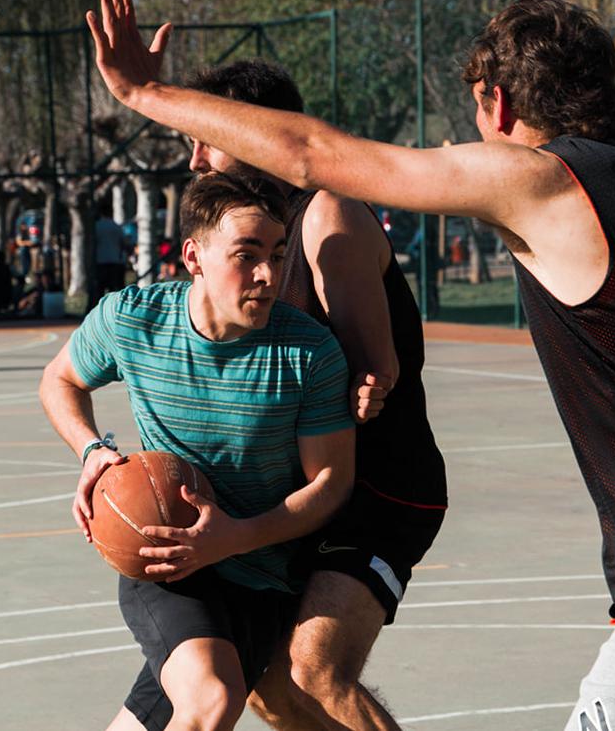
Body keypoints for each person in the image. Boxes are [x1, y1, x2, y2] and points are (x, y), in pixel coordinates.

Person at [87, 0, 615, 731]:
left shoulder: (548, 184)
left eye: (476, 110)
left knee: (307, 676)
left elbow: (311, 153)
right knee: (282, 683)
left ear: (498, 102)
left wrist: (146, 92)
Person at [39, 171, 355, 731]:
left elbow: (329, 482)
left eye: (278, 256)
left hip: (261, 572)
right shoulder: (132, 319)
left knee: (157, 716)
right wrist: (92, 450)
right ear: (194, 256)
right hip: (166, 563)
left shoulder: (309, 352)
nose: (267, 275)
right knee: (210, 699)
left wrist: (234, 536)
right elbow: (60, 380)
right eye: (246, 255)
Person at [184, 60, 447, 731]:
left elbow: (373, 372)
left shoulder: (327, 215)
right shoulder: (248, 239)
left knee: (318, 668)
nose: (194, 158)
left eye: (205, 135)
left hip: (381, 488)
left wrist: (366, 384)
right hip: (309, 488)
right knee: (269, 689)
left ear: (252, 132)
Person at [96, 208, 128, 295]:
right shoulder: (116, 227)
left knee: (100, 289)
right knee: (114, 290)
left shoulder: (97, 226)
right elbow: (124, 244)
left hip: (100, 261)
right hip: (115, 261)